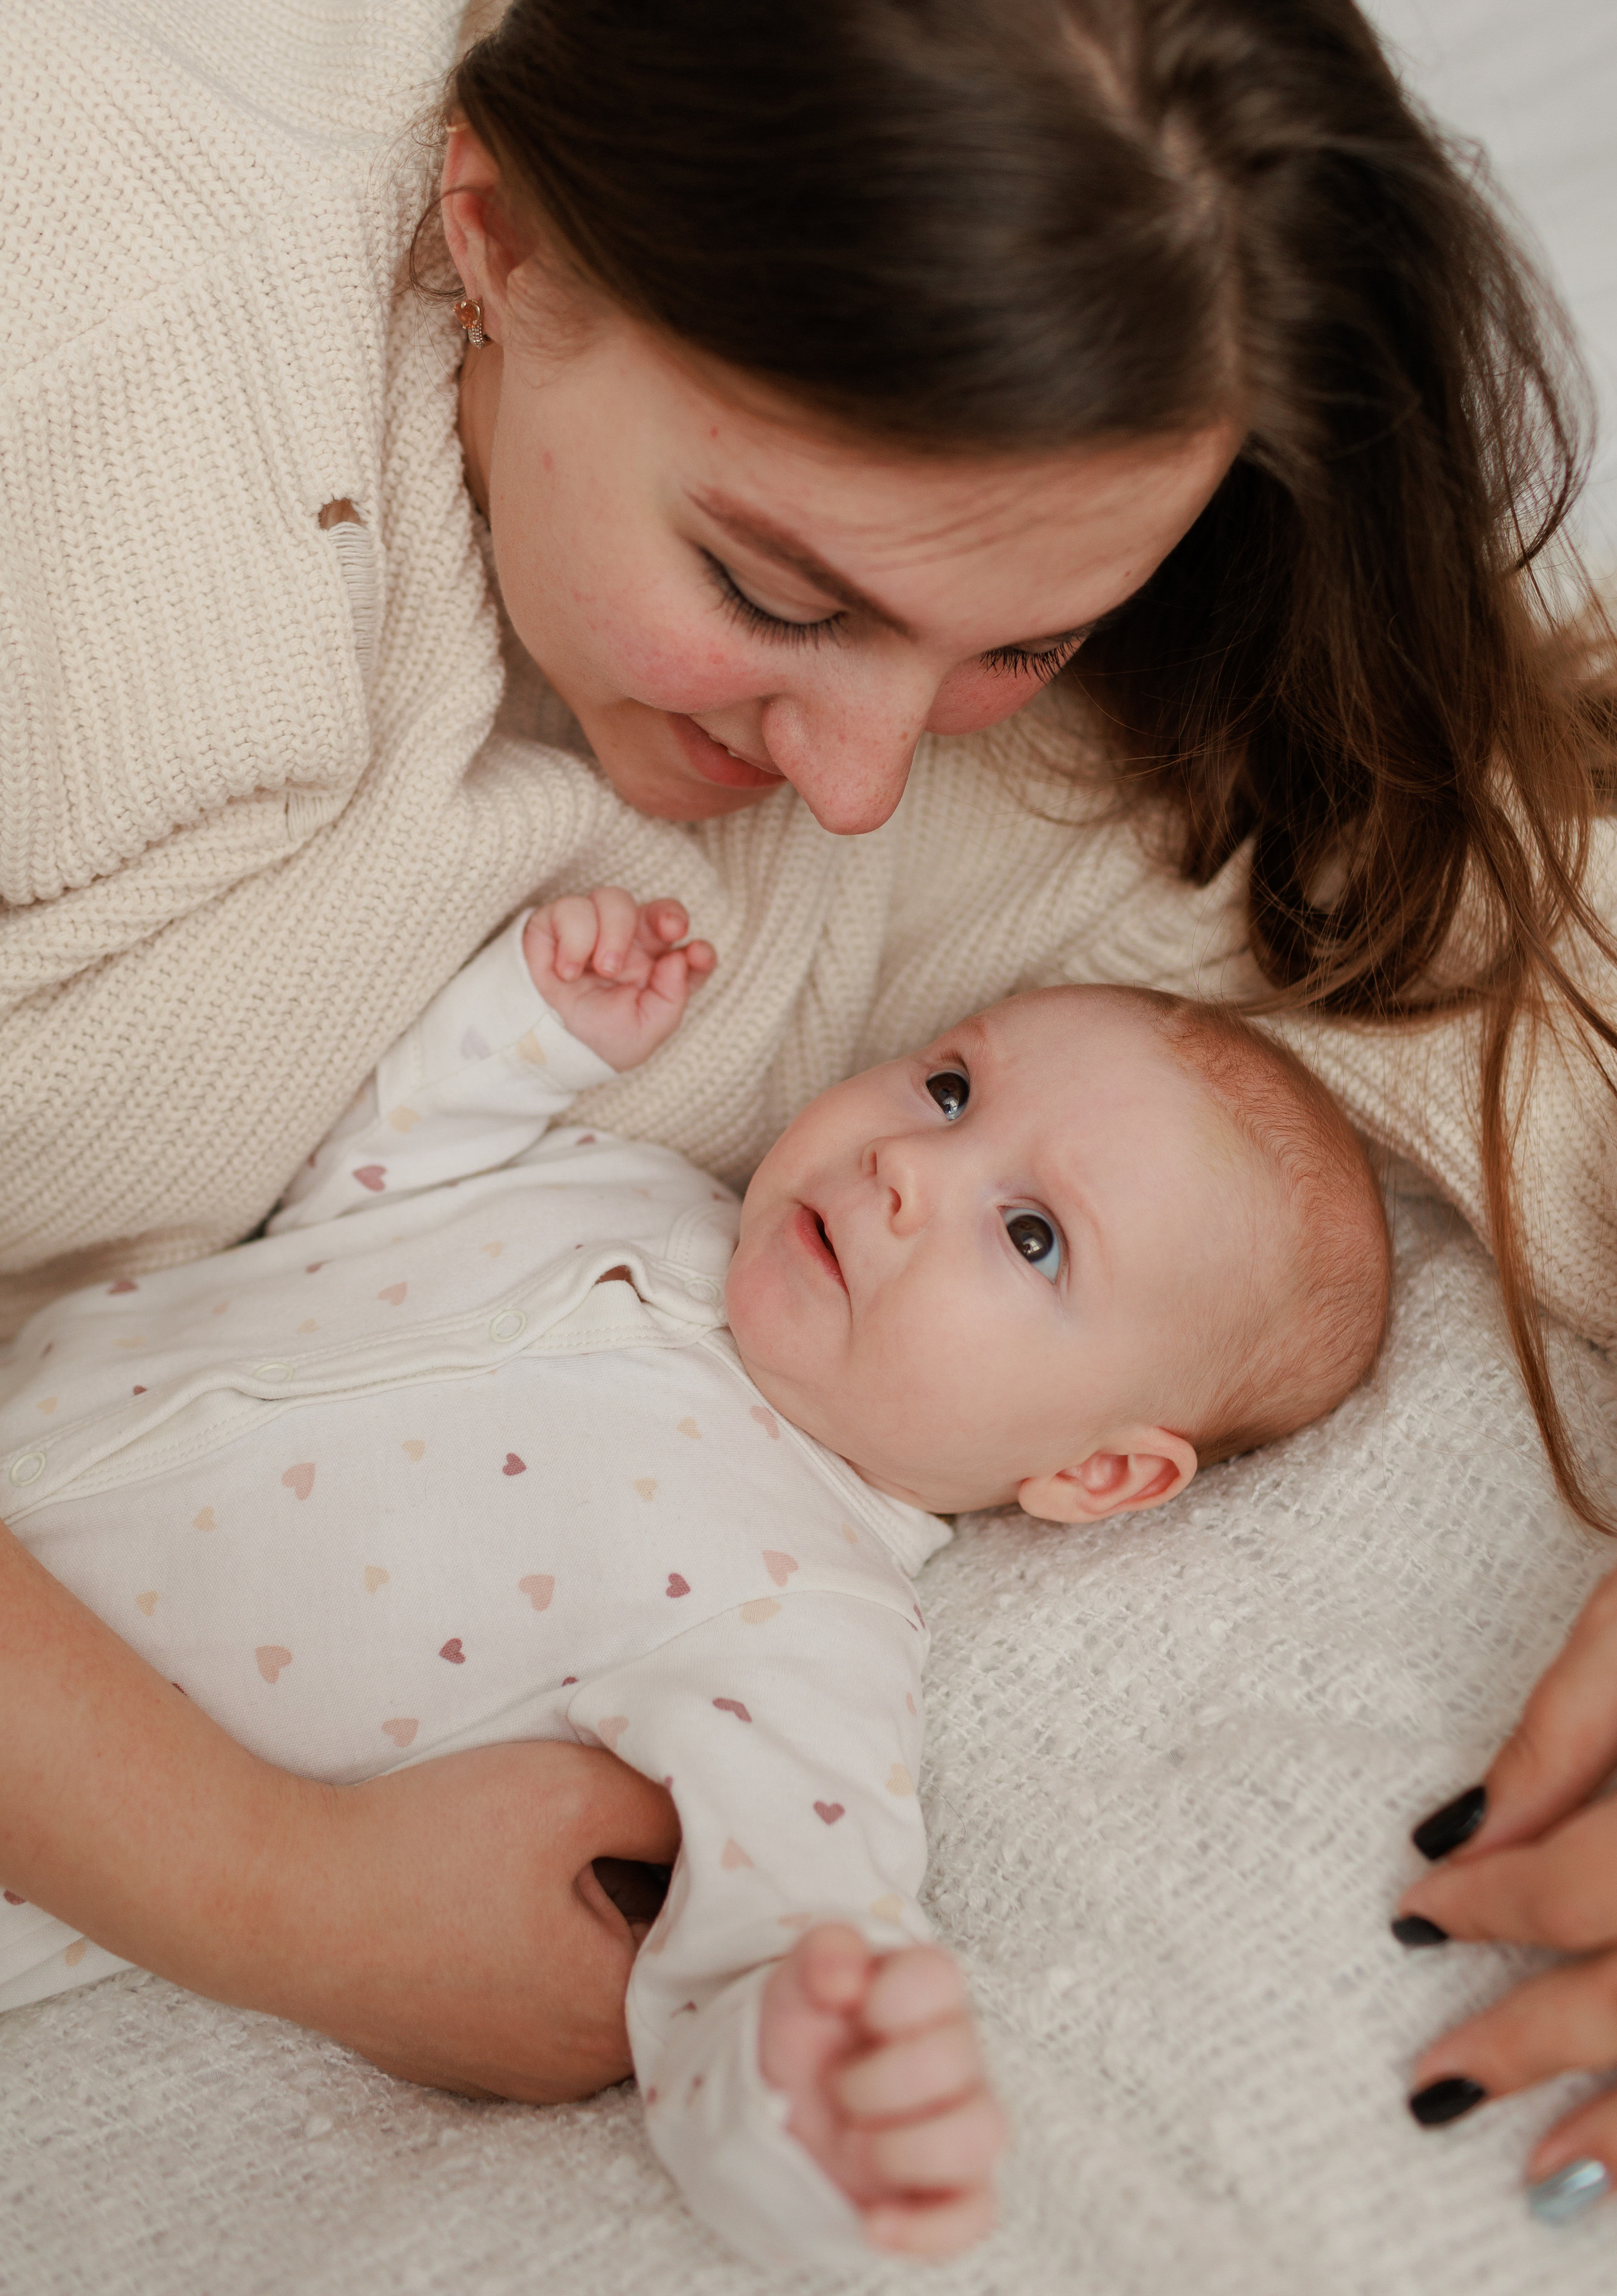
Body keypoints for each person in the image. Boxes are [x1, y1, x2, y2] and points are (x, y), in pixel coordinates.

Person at [3, 0, 1617, 2172]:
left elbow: (1552, 967)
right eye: (778, 596)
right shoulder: (76, 345)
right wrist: (285, 1890)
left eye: (1029, 641)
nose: (862, 781)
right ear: (496, 233)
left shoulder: (1053, 727)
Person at [0, 884, 1389, 2264]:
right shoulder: (640, 1186)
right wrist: (526, 1035)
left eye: (1032, 1237)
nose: (908, 1164)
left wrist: (818, 2100)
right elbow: (355, 1199)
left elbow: (774, 1933)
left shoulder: (805, 1616)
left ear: (1098, 1474)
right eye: (952, 1089)